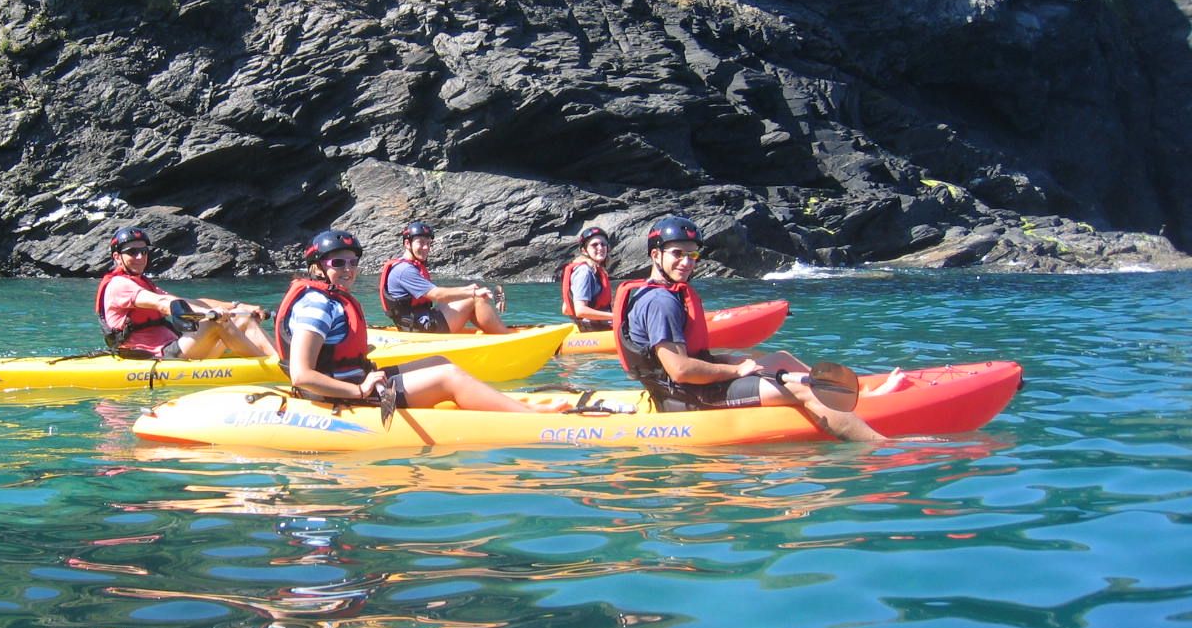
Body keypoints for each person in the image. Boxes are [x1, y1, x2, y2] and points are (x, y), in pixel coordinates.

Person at [613, 216, 885, 441]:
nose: (687, 262)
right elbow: (680, 370)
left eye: (692, 254)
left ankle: (847, 394)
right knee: (803, 390)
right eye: (677, 254)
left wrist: (728, 360)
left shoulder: (666, 293)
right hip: (688, 398)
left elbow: (687, 359)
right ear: (655, 255)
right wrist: (736, 370)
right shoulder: (660, 301)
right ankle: (880, 446)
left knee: (779, 359)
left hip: (688, 388)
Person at [280, 229, 567, 412]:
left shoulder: (332, 299)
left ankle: (504, 403)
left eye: (353, 262)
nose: (349, 269)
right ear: (317, 267)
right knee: (448, 377)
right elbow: (302, 375)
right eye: (338, 263)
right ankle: (528, 416)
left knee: (440, 362)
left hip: (357, 378)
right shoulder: (316, 304)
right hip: (340, 392)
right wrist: (359, 389)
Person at [95, 226, 276, 360]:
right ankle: (278, 370)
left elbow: (186, 301)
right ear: (117, 257)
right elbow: (162, 304)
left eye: (143, 251)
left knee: (243, 319)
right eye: (132, 252)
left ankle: (280, 361)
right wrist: (210, 315)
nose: (140, 257)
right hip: (158, 355)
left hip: (176, 347)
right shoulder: (119, 285)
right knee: (218, 323)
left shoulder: (143, 283)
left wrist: (236, 306)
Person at [378, 221, 507, 334]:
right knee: (476, 298)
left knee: (470, 293)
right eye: (421, 243)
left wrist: (469, 289)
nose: (426, 248)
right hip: (421, 329)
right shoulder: (404, 270)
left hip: (419, 320)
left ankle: (492, 329)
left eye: (428, 243)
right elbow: (437, 295)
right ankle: (506, 337)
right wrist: (472, 293)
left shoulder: (408, 265)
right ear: (407, 244)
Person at [560, 225, 614, 329]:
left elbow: (566, 309)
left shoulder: (595, 270)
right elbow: (580, 311)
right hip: (592, 330)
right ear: (584, 251)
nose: (600, 248)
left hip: (593, 326)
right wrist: (616, 317)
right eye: (594, 245)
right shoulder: (584, 272)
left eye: (603, 244)